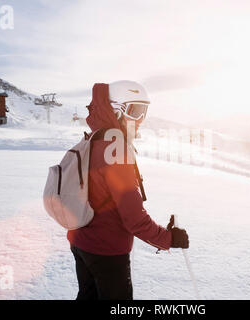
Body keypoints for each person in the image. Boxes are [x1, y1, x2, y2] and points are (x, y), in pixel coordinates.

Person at [67, 81, 189, 300]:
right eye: (136, 110)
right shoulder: (115, 150)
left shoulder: (95, 139)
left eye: (145, 111)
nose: (141, 119)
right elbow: (133, 219)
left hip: (81, 241)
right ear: (115, 109)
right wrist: (169, 238)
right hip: (106, 251)